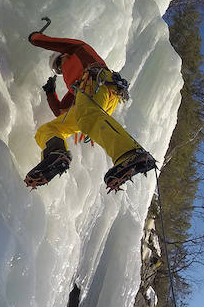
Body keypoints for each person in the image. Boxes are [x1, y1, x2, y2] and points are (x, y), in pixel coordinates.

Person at [25, 30, 156, 191]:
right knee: (49, 128)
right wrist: (50, 92)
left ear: (62, 55)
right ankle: (55, 153)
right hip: (92, 89)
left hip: (97, 79)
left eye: (59, 65)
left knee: (87, 116)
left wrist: (35, 38)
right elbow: (62, 112)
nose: (61, 70)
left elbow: (63, 44)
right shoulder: (75, 87)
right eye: (58, 70)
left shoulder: (78, 50)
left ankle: (130, 153)